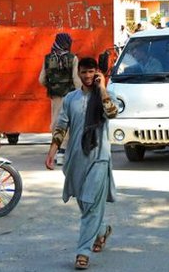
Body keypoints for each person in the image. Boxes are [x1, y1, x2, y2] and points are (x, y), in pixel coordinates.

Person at [45, 57, 118, 271]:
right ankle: (102, 230)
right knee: (86, 204)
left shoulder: (106, 95)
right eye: (83, 72)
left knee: (90, 202)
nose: (87, 76)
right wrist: (52, 150)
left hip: (99, 157)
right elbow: (61, 126)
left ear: (97, 72)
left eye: (91, 72)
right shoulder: (70, 99)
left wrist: (102, 89)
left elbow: (112, 113)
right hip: (75, 159)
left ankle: (82, 252)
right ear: (78, 73)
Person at [39, 33, 82, 166]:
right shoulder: (72, 58)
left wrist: (52, 87)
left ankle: (57, 150)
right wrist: (80, 93)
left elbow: (41, 79)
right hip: (70, 95)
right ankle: (63, 151)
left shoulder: (47, 58)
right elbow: (76, 79)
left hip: (55, 96)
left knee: (56, 122)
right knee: (68, 122)